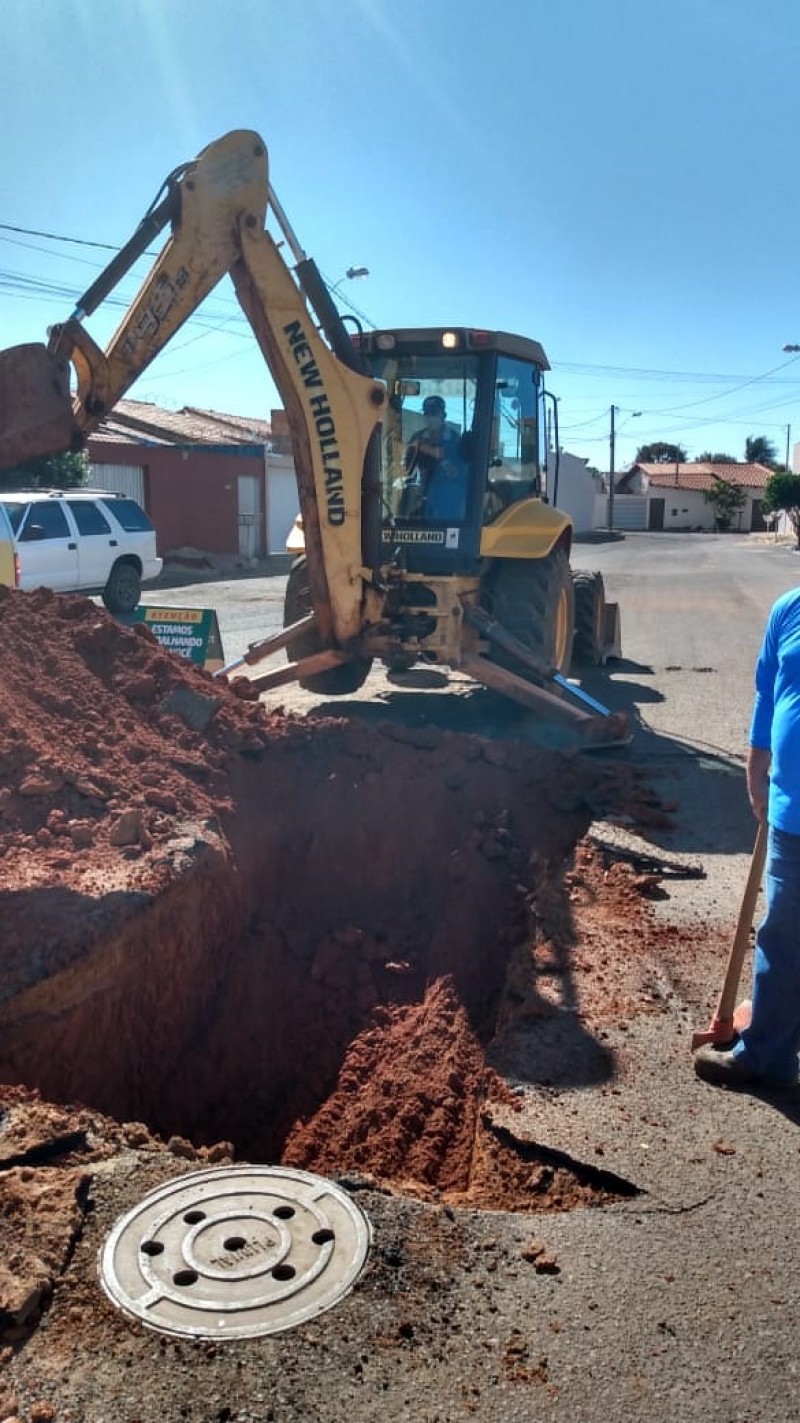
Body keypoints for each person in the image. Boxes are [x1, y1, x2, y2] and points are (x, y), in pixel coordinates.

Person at [694, 584, 800, 1090]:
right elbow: (768, 690)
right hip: (793, 812)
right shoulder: (789, 608)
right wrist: (755, 767)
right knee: (782, 938)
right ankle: (767, 1057)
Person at [402, 395, 469, 522]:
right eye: (427, 413)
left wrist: (422, 446)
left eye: (433, 413)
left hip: (448, 496)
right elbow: (407, 467)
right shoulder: (418, 436)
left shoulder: (455, 439)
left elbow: (455, 466)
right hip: (422, 492)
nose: (430, 417)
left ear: (443, 415)